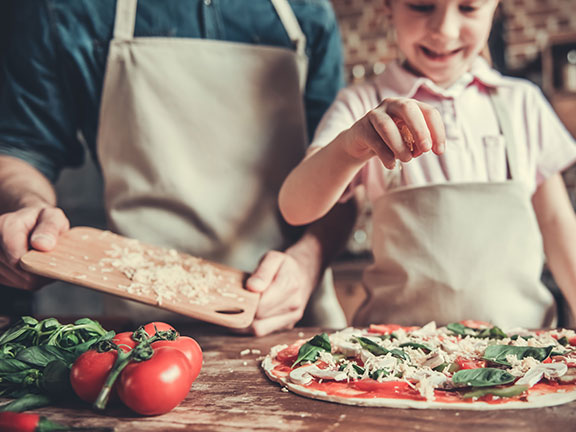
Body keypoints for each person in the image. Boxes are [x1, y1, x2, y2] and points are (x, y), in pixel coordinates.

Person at [278, 0, 576, 338]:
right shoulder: (360, 104)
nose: (444, 29)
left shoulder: (522, 102)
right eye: (422, 5)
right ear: (388, 8)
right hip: (397, 355)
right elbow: (296, 207)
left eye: (469, 7)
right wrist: (352, 145)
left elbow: (558, 221)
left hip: (523, 353)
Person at [0, 0, 354, 335]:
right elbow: (22, 150)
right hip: (142, 325)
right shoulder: (65, 8)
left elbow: (344, 180)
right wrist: (28, 207)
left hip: (286, 315)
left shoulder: (308, 11)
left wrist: (308, 262)